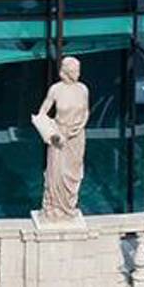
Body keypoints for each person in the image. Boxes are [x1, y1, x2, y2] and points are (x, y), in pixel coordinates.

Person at [33, 56, 90, 219]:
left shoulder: (83, 89)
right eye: (75, 71)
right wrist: (52, 134)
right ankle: (54, 208)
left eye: (79, 70)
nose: (78, 73)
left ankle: (69, 207)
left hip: (77, 137)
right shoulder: (55, 90)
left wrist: (80, 125)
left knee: (73, 173)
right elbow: (42, 114)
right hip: (60, 138)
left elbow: (86, 111)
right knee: (57, 174)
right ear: (66, 72)